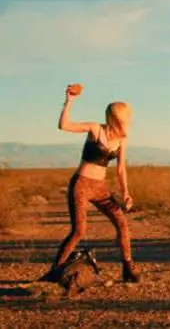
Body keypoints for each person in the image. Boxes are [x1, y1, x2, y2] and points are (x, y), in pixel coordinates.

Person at [38, 85, 140, 284]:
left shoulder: (121, 139)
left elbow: (121, 168)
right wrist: (69, 101)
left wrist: (126, 193)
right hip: (81, 185)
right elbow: (64, 125)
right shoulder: (95, 129)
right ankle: (53, 273)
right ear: (117, 117)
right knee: (78, 231)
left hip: (100, 188)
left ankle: (128, 267)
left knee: (122, 223)